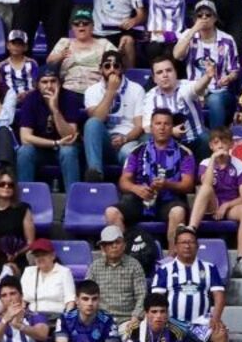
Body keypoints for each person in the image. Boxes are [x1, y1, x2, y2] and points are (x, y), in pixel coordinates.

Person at [151, 226, 232, 342]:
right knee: (157, 330)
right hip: (172, 322)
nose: (187, 246)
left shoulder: (209, 268)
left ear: (197, 246)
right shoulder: (165, 269)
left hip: (199, 322)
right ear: (175, 246)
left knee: (220, 332)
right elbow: (156, 300)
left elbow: (219, 295)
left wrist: (215, 318)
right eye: (183, 243)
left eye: (191, 242)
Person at [109, 108, 196, 247]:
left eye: (166, 124)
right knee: (111, 213)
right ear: (151, 127)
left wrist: (167, 184)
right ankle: (125, 258)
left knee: (178, 212)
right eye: (158, 123)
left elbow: (188, 185)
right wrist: (136, 188)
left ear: (171, 127)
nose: (162, 127)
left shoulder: (184, 153)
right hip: (140, 199)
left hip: (170, 199)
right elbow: (123, 181)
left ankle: (173, 261)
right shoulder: (137, 151)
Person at [188, 127, 242, 278]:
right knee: (205, 188)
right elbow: (206, 183)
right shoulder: (206, 163)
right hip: (210, 204)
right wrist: (213, 159)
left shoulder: (239, 165)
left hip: (230, 206)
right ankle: (191, 229)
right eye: (216, 142)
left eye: (224, 142)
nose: (220, 146)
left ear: (231, 144)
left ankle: (241, 261)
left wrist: (226, 206)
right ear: (211, 146)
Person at [173, 0, 240, 130]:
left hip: (219, 90)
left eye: (208, 15)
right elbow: (177, 55)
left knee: (215, 101)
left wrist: (229, 78)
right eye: (199, 15)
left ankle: (216, 139)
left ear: (215, 18)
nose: (204, 18)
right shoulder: (189, 35)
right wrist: (193, 31)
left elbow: (235, 70)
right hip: (194, 89)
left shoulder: (227, 40)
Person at [82, 52, 145, 182]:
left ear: (122, 69)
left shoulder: (136, 89)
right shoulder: (92, 91)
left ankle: (130, 191)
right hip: (103, 141)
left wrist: (125, 138)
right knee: (92, 123)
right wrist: (111, 92)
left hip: (127, 140)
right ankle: (95, 175)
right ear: (100, 69)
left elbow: (139, 126)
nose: (112, 70)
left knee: (128, 153)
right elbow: (97, 119)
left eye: (116, 66)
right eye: (107, 66)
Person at [15, 70, 82, 192]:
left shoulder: (70, 98)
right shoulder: (31, 100)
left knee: (68, 151)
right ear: (37, 85)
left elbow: (70, 136)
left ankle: (73, 201)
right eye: (44, 82)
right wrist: (55, 143)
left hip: (64, 148)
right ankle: (24, 202)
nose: (49, 86)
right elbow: (25, 138)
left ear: (60, 83)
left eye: (53, 81)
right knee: (25, 151)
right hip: (40, 149)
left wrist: (55, 109)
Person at [142, 55, 211, 161]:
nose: (165, 75)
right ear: (154, 78)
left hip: (196, 139)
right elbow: (147, 127)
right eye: (159, 72)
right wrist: (170, 131)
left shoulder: (185, 86)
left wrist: (207, 77)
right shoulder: (150, 97)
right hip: (167, 143)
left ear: (175, 73)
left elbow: (197, 88)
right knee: (147, 139)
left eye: (168, 70)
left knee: (206, 138)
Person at [47, 8, 118, 104]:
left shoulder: (104, 44)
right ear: (72, 28)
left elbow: (117, 60)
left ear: (92, 26)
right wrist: (60, 56)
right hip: (69, 88)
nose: (81, 26)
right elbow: (49, 63)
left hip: (96, 88)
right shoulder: (65, 42)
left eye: (85, 23)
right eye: (76, 24)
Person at [86, 226, 146, 334]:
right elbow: (86, 293)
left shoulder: (134, 265)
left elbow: (142, 295)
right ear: (103, 248)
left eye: (117, 242)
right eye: (110, 243)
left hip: (127, 320)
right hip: (101, 320)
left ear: (124, 245)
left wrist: (136, 317)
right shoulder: (95, 267)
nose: (114, 246)